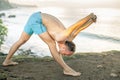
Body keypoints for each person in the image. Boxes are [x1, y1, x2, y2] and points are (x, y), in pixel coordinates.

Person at [2, 12, 97, 76]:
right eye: (65, 53)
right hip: (37, 20)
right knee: (51, 44)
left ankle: (7, 61)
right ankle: (66, 69)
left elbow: (79, 29)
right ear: (64, 46)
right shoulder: (62, 37)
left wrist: (91, 21)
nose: (63, 54)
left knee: (21, 40)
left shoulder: (70, 38)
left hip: (35, 17)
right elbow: (75, 25)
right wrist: (89, 16)